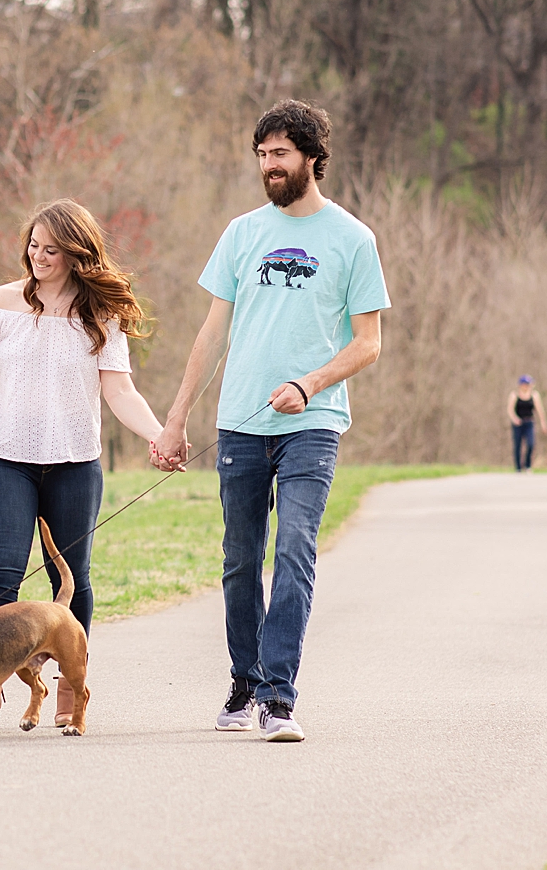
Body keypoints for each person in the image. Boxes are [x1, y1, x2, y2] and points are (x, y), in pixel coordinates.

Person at [151, 99, 389, 746]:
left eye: (280, 153)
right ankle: (245, 679)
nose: (269, 165)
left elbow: (369, 341)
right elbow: (212, 330)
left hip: (313, 420)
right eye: (261, 154)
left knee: (294, 548)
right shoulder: (241, 233)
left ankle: (279, 695)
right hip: (240, 423)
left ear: (312, 156)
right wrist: (176, 417)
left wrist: (309, 382)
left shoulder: (352, 238)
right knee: (238, 559)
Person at [0, 198, 165, 729]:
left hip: (75, 463)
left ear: (75, 254)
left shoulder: (100, 316)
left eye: (51, 249)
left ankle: (71, 688)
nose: (37, 256)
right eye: (33, 246)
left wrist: (161, 436)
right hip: (4, 459)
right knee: (0, 575)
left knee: (75, 578)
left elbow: (120, 389)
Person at [506, 375, 547, 470]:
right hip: (518, 423)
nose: (527, 386)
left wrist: (543, 423)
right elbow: (510, 409)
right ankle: (518, 467)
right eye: (525, 384)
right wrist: (514, 419)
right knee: (517, 445)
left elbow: (539, 410)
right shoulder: (514, 395)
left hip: (529, 422)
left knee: (530, 444)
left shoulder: (534, 395)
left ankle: (528, 465)